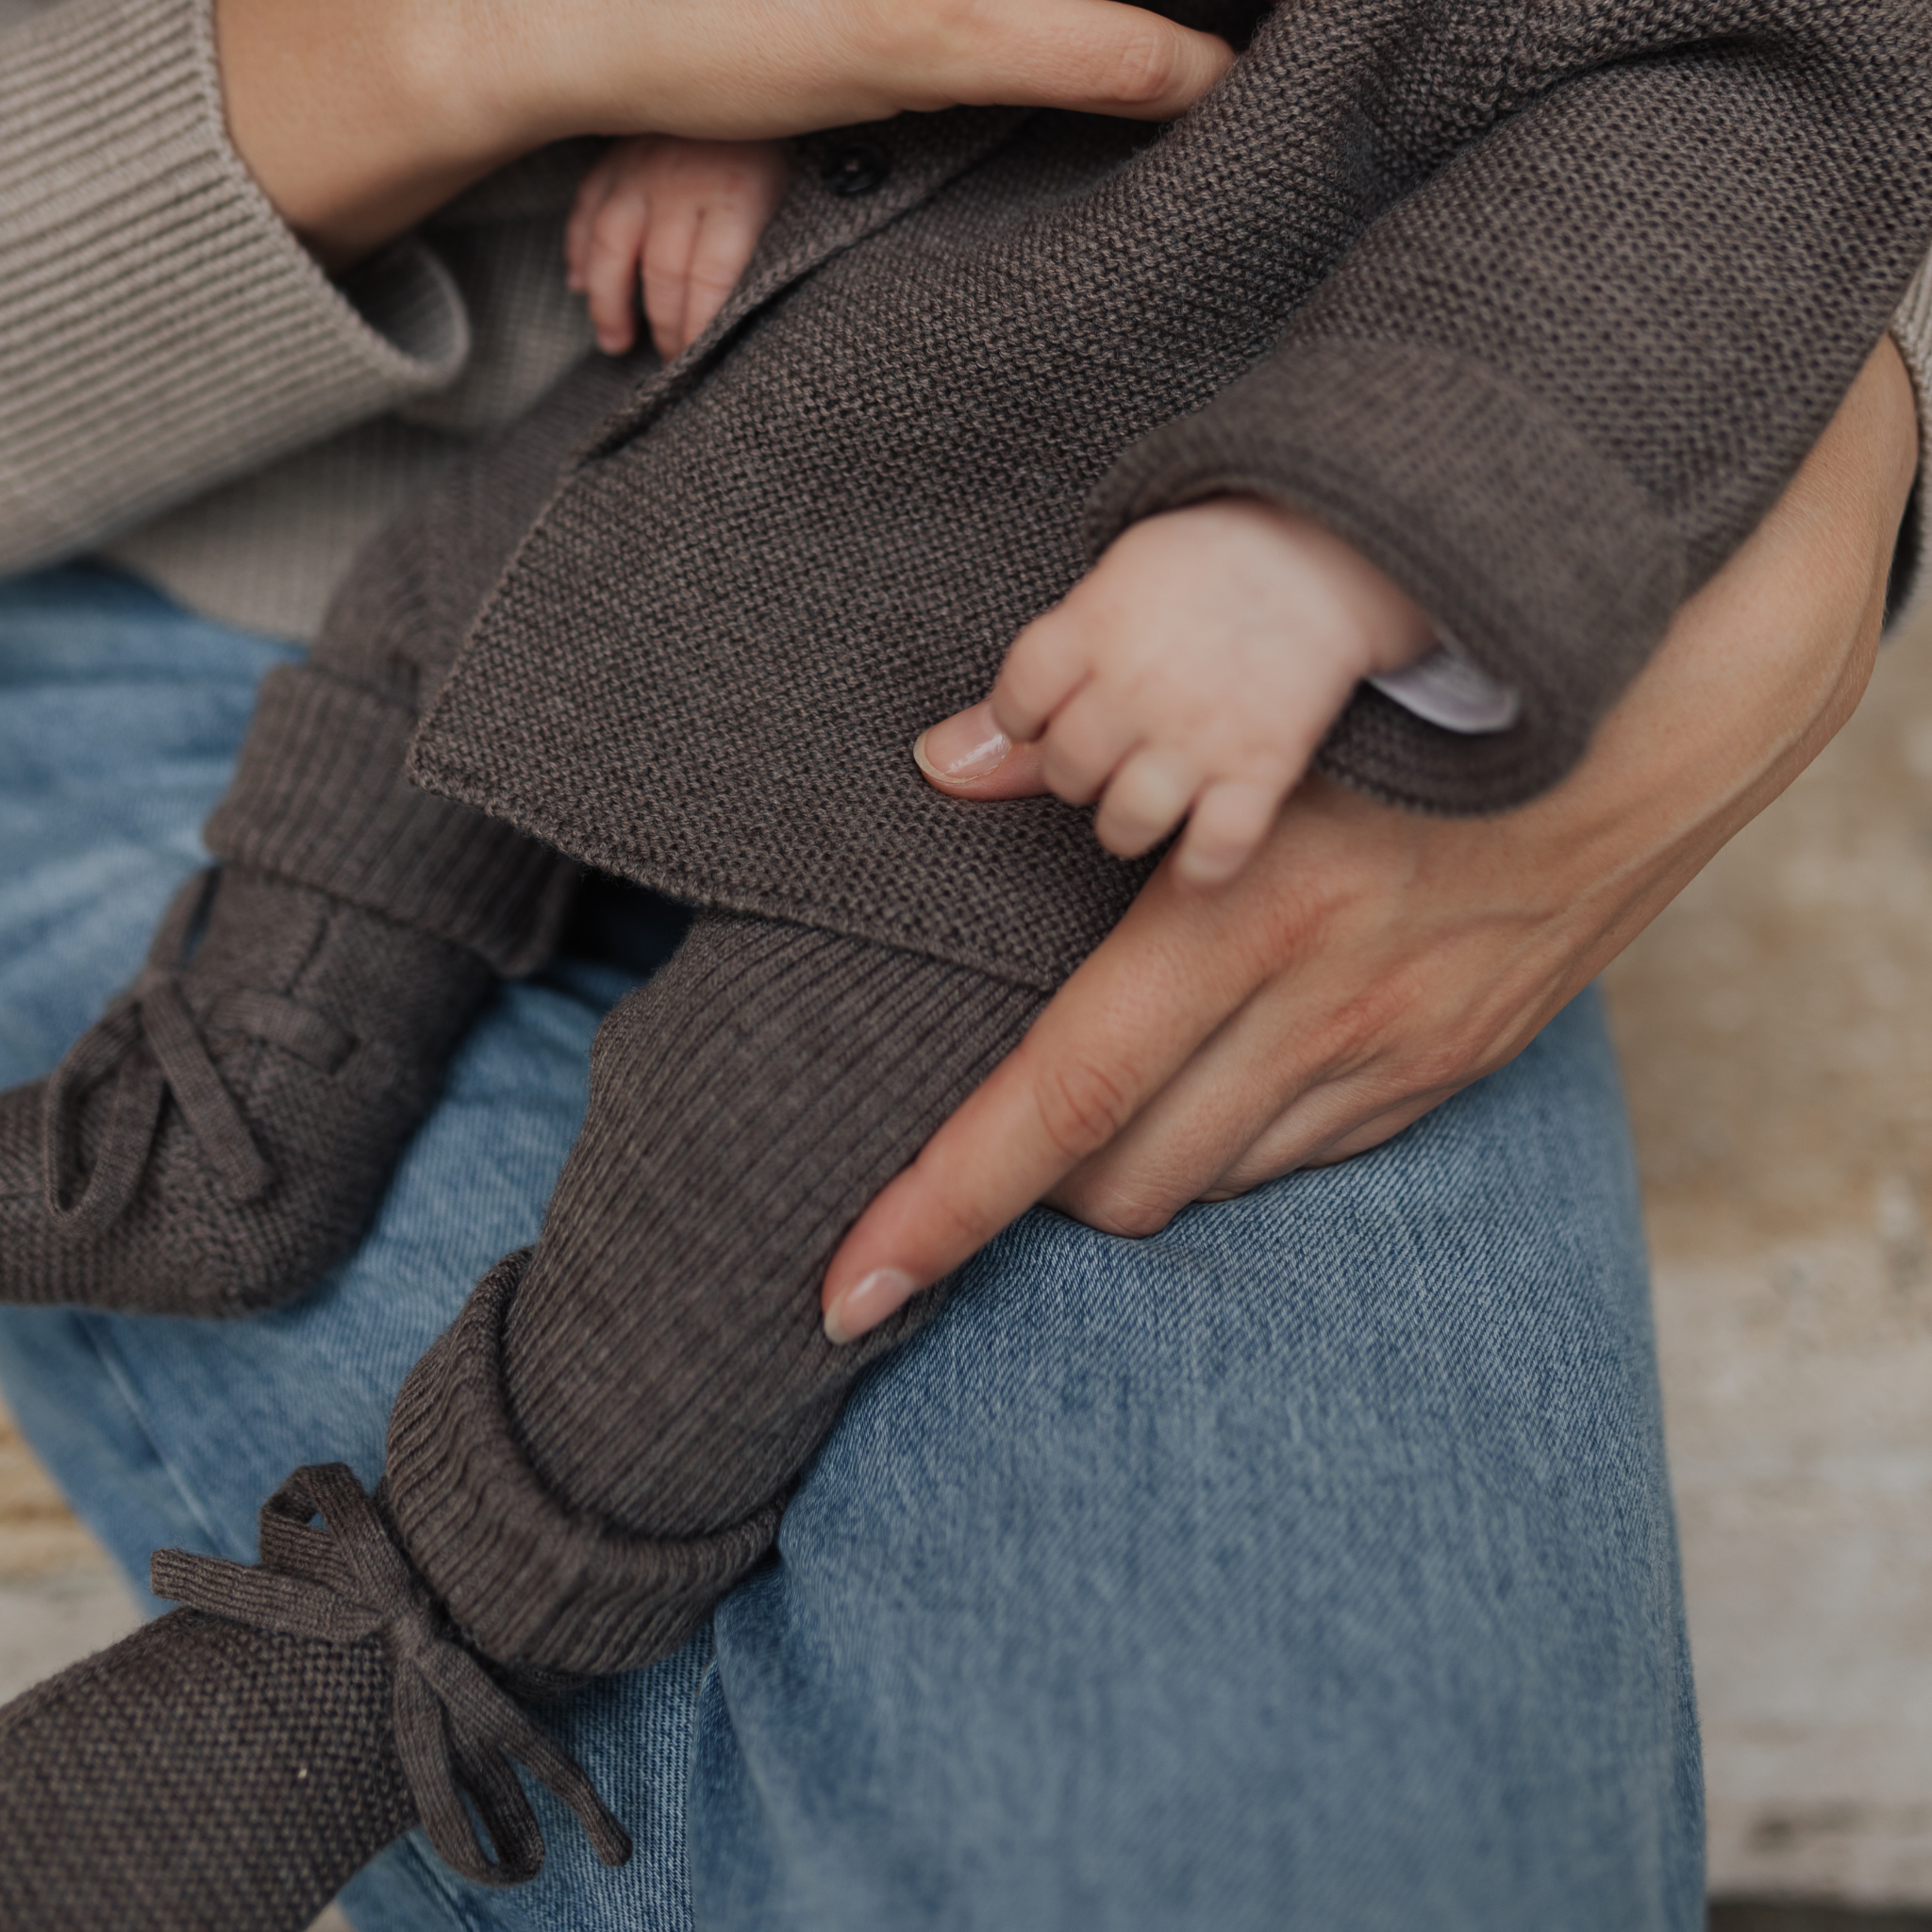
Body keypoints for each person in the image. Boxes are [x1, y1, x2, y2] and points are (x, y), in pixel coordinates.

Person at [0, 2, 1924, 1929]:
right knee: (426, 642)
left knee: (788, 1147)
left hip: (1068, 672)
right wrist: (666, 98)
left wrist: (1342, 542)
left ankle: (432, 1604)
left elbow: (1722, 151)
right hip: (686, 398)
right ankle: (219, 1113)